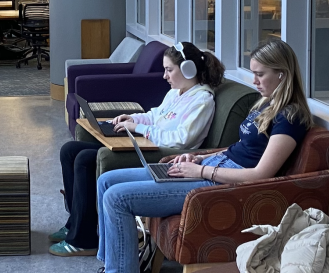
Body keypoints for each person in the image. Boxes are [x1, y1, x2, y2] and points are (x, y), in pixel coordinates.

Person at [77, 38, 312, 273]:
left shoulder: (290, 117)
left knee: (117, 198)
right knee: (108, 181)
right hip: (212, 167)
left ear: (282, 75)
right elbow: (240, 149)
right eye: (253, 72)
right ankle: (112, 271)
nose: (254, 80)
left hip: (219, 186)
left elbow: (259, 174)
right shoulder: (267, 104)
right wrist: (200, 157)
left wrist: (201, 172)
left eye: (260, 74)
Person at [51, 42, 225, 257]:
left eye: (169, 70)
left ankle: (83, 238)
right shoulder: (177, 93)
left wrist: (139, 128)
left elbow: (181, 141)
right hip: (146, 143)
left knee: (86, 159)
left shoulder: (202, 101)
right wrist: (133, 118)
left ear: (188, 69)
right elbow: (155, 115)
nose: (164, 76)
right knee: (70, 150)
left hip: (162, 154)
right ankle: (74, 222)